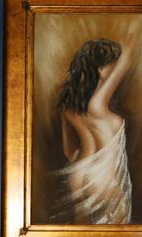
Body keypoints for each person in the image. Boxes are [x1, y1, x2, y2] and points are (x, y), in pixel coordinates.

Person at [48, 38, 133, 224]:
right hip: (105, 178)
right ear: (101, 69)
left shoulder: (67, 107)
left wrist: (85, 161)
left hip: (77, 173)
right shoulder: (98, 105)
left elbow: (68, 151)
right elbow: (125, 61)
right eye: (113, 64)